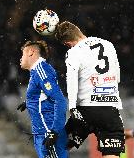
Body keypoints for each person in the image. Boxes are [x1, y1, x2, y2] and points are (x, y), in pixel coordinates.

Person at [55, 21, 124, 158]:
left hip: (86, 111)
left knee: (58, 147)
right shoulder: (108, 45)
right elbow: (117, 77)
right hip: (110, 111)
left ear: (67, 43)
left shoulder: (73, 52)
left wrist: (73, 107)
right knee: (111, 154)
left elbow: (72, 80)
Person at [17, 40, 68, 158]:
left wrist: (54, 132)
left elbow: (60, 100)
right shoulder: (37, 71)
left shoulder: (41, 70)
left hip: (48, 132)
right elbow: (45, 94)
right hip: (42, 133)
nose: (21, 59)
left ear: (31, 52)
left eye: (22, 54)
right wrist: (29, 102)